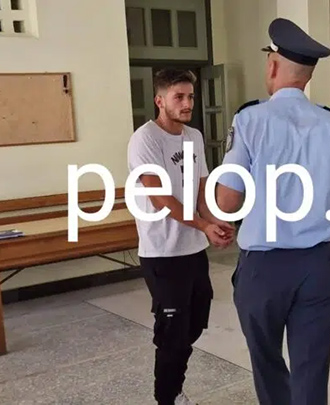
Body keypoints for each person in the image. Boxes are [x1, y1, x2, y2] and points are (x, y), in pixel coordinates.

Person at [213, 18, 330, 405]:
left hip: (264, 268)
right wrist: (319, 218)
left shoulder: (249, 119)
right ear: (308, 75)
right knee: (312, 367)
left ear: (273, 65)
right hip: (317, 266)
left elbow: (227, 202)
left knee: (267, 365)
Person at [127, 68, 235, 405]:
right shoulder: (145, 139)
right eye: (179, 97)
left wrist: (215, 221)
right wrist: (203, 226)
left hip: (193, 251)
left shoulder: (195, 137)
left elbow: (201, 191)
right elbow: (161, 198)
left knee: (194, 323)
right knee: (172, 331)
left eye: (190, 96)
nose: (187, 103)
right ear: (160, 100)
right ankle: (167, 397)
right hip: (162, 253)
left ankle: (173, 385)